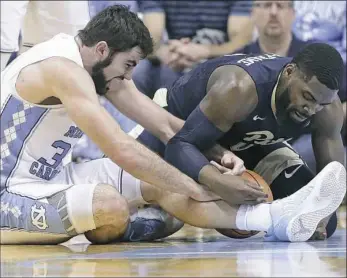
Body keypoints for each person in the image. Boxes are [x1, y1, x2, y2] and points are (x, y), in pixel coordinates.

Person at [1, 5, 254, 245]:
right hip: (8, 192)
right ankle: (120, 219)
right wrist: (195, 189)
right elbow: (121, 148)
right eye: (128, 64)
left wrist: (220, 153)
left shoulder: (99, 67)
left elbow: (165, 125)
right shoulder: (62, 69)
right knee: (109, 205)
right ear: (102, 49)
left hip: (48, 178)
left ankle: (268, 219)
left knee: (165, 181)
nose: (129, 76)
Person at [137, 43, 346, 239]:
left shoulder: (326, 107)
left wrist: (325, 208)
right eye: (307, 97)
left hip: (247, 140)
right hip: (180, 129)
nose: (311, 109)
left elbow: (332, 176)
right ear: (289, 72)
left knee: (321, 222)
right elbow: (178, 144)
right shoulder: (240, 87)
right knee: (144, 216)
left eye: (321, 103)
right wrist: (218, 182)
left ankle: (270, 220)